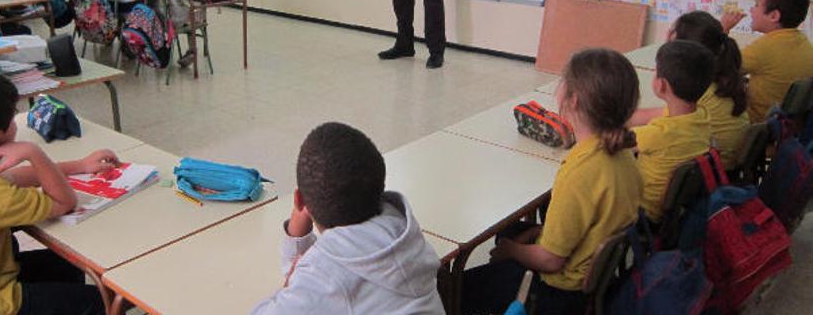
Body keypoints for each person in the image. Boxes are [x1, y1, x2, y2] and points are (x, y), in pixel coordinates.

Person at [461, 49, 643, 315]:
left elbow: (550, 260)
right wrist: (534, 234)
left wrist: (511, 250)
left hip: (558, 292)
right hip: (591, 272)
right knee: (512, 229)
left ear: (574, 100)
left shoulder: (581, 170)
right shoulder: (626, 153)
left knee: (456, 287)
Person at [0, 70, 117, 315]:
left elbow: (14, 177)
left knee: (67, 264)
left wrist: (80, 166)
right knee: (98, 301)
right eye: (13, 117)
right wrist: (33, 151)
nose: (17, 119)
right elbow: (64, 201)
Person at [251, 122, 444, 314]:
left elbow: (308, 284)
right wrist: (297, 241)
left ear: (299, 201)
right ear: (381, 184)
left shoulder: (326, 275)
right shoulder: (401, 229)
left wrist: (286, 287)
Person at [632, 11, 749, 170]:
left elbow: (646, 121)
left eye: (672, 32)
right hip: (715, 170)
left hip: (713, 170)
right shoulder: (717, 79)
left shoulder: (695, 91)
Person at [634, 40, 714, 224]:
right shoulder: (702, 115)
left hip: (644, 212)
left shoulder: (657, 135)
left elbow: (611, 143)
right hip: (676, 209)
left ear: (661, 85)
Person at [721, 0, 813, 123]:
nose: (751, 10)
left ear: (774, 16)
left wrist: (723, 30)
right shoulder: (805, 43)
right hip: (786, 129)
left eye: (756, 5)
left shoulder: (764, 48)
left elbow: (721, 69)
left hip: (759, 126)